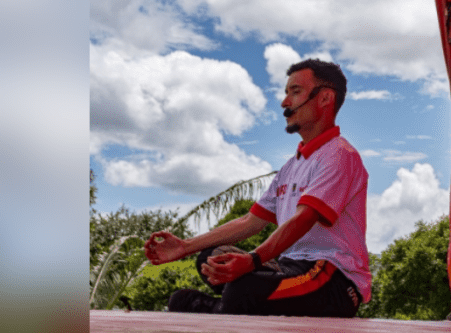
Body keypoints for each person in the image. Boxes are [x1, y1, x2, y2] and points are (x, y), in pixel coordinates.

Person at [144, 59, 371, 317]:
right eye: (286, 93)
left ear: (324, 98)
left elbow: (304, 218)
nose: (285, 102)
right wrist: (185, 246)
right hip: (290, 268)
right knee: (210, 258)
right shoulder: (291, 166)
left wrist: (252, 260)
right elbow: (250, 221)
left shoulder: (340, 155)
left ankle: (224, 308)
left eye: (295, 92)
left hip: (333, 280)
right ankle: (227, 307)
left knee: (244, 289)